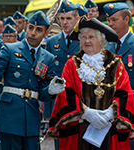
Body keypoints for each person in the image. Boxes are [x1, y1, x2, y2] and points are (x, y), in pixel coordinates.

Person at [46, 17, 134, 150]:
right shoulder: (72, 64)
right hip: (79, 128)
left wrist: (110, 113)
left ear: (101, 40)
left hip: (110, 128)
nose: (86, 41)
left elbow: (125, 93)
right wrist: (87, 112)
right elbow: (66, 93)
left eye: (91, 37)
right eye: (83, 37)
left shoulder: (116, 63)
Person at [0, 10, 65, 150]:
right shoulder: (9, 49)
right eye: (30, 27)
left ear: (46, 33)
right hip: (9, 116)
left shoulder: (48, 58)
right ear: (26, 27)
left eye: (38, 30)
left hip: (31, 118)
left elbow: (42, 94)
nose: (32, 33)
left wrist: (50, 90)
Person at [103, 2, 134, 150]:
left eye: (114, 20)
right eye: (109, 20)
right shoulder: (105, 47)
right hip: (108, 112)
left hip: (133, 110)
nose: (110, 24)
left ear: (126, 20)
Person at [45, 0, 80, 149]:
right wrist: (48, 109)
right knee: (60, 141)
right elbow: (47, 76)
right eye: (62, 18)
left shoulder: (85, 39)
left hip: (79, 101)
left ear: (76, 19)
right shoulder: (52, 42)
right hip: (58, 101)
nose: (65, 22)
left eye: (69, 18)